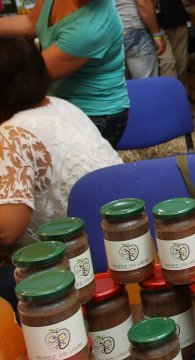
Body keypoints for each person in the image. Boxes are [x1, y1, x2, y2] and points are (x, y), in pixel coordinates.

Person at [0, 37, 122, 307]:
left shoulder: (11, 133)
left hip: (77, 264)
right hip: (118, 244)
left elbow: (8, 229)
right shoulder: (60, 105)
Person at [0, 0, 130, 146]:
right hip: (59, 100)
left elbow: (32, 80)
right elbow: (32, 23)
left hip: (95, 115)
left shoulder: (91, 27)